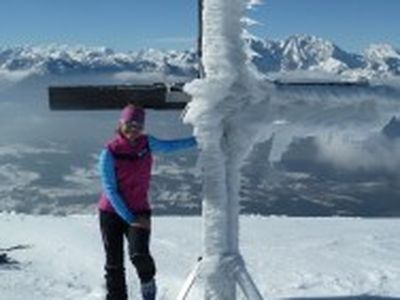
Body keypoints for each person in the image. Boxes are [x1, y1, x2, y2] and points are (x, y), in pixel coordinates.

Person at [98, 104, 196, 300]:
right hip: (111, 213)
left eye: (138, 125)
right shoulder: (109, 152)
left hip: (140, 209)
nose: (133, 129)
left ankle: (147, 282)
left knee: (139, 254)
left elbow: (172, 146)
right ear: (121, 124)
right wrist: (129, 218)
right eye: (129, 124)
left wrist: (202, 138)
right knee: (114, 263)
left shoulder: (147, 144)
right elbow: (110, 190)